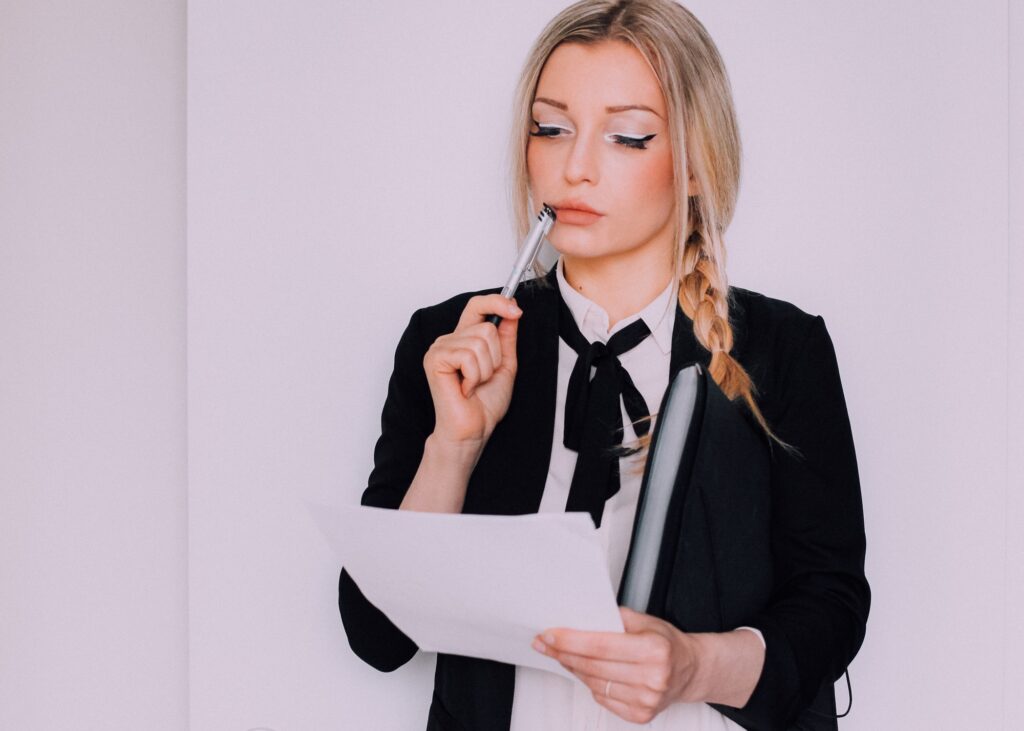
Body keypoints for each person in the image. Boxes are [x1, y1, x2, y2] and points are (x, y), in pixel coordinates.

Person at [337, 1, 870, 729]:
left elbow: (832, 609)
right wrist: (453, 447)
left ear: (694, 163)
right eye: (551, 129)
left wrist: (694, 663)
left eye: (627, 137)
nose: (574, 167)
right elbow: (377, 636)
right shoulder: (450, 340)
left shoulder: (782, 348)